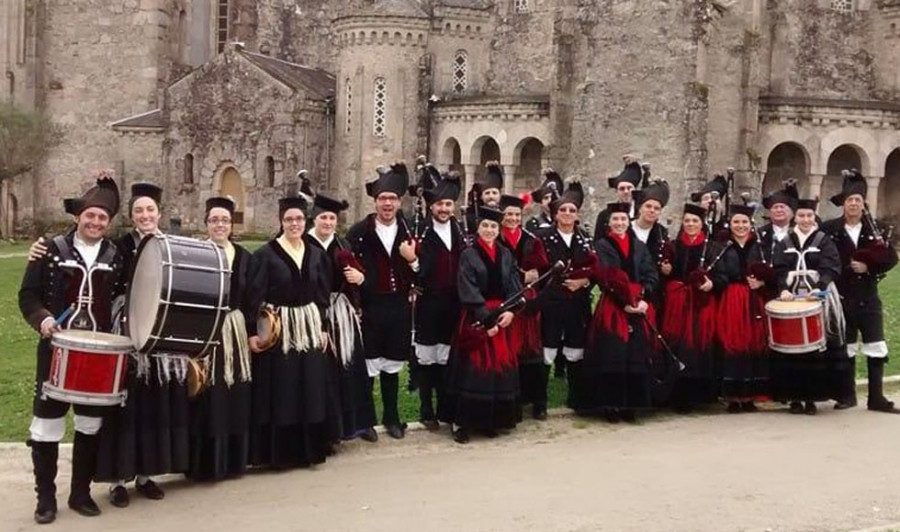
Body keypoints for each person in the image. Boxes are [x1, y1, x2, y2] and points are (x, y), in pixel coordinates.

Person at [19, 177, 125, 523]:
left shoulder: (116, 255)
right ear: (79, 216)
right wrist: (44, 319)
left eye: (102, 218)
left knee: (89, 424)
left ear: (108, 223)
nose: (95, 223)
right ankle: (46, 499)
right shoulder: (50, 249)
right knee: (47, 425)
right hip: (56, 350)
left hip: (97, 356)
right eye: (90, 216)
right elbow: (28, 296)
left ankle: (80, 492)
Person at [96, 182, 182, 507]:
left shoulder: (171, 245)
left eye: (150, 210)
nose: (145, 215)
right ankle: (118, 479)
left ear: (159, 213)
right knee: (125, 406)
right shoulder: (120, 246)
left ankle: (147, 474)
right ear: (132, 216)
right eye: (138, 211)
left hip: (159, 341)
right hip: (129, 337)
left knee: (154, 405)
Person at [245, 193, 336, 468]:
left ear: (305, 221)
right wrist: (253, 331)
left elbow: (322, 296)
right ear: (281, 222)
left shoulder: (317, 255)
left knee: (309, 386)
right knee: (282, 388)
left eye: (298, 219)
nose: (294, 224)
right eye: (288, 219)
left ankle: (309, 451)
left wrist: (323, 328)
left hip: (308, 327)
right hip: (279, 329)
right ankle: (280, 455)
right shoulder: (264, 255)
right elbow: (253, 296)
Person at [347, 163, 418, 439]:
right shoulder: (358, 233)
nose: (387, 203)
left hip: (399, 307)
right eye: (382, 199)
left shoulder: (410, 230)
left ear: (399, 201)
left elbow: (421, 273)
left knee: (391, 365)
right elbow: (346, 271)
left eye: (392, 199)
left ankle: (392, 417)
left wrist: (412, 260)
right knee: (368, 366)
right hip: (370, 308)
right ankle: (366, 421)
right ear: (375, 202)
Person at [821, 170, 900, 413]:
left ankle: (876, 398)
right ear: (843, 204)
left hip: (868, 296)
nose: (853, 204)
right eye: (849, 200)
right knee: (845, 347)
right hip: (842, 296)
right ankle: (847, 395)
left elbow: (891, 257)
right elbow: (824, 257)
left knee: (875, 345)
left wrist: (869, 266)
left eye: (857, 200)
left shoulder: (877, 228)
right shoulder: (830, 228)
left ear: (863, 203)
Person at [443, 205, 523, 443]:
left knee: (498, 373)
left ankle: (491, 420)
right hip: (477, 318)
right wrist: (486, 318)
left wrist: (511, 312)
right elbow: (467, 288)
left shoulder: (506, 254)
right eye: (485, 226)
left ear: (499, 230)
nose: (489, 230)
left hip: (502, 318)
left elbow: (514, 286)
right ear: (478, 229)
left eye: (493, 226)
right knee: (472, 372)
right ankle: (462, 423)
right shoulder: (468, 254)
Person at [186, 196, 253, 480]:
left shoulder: (244, 257)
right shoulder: (196, 253)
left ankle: (233, 462)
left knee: (232, 391)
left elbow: (252, 298)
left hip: (234, 331)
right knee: (206, 392)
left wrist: (250, 332)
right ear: (206, 224)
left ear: (232, 224)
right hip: (205, 331)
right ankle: (203, 464)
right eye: (214, 220)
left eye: (225, 220)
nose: (220, 225)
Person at [304, 190, 378, 443]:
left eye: (332, 219)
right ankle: (326, 429)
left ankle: (359, 423)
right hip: (312, 313)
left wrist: (360, 278)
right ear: (314, 219)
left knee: (350, 367)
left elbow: (359, 276)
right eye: (323, 218)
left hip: (341, 311)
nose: (327, 223)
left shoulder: (343, 245)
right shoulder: (304, 244)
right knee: (323, 372)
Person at [771, 197, 851, 415]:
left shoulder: (823, 240)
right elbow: (778, 268)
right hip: (791, 298)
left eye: (809, 216)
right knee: (792, 351)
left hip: (819, 298)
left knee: (816, 350)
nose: (805, 220)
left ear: (814, 217)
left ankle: (812, 399)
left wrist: (821, 286)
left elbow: (832, 266)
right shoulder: (785, 242)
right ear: (795, 217)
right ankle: (794, 398)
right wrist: (782, 289)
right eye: (801, 216)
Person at [580, 203, 659, 422]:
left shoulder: (639, 246)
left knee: (635, 355)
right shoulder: (602, 246)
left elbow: (650, 273)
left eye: (623, 220)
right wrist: (624, 301)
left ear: (629, 222)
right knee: (613, 354)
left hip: (638, 306)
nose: (620, 223)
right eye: (615, 220)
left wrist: (643, 296)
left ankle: (631, 406)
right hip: (614, 307)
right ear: (609, 223)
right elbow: (606, 275)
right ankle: (611, 406)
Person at [659, 204, 726, 412]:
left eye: (695, 221)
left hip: (702, 304)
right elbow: (663, 274)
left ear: (702, 224)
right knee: (677, 346)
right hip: (677, 305)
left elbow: (722, 277)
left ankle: (701, 395)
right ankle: (676, 395)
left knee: (700, 346)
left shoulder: (713, 248)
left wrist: (711, 284)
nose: (690, 224)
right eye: (687, 221)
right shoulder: (673, 245)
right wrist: (665, 271)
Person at [414, 172, 466, 430]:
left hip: (454, 302)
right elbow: (416, 270)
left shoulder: (460, 230)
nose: (444, 209)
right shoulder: (421, 231)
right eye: (439, 204)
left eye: (448, 204)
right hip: (429, 302)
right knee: (427, 356)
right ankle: (426, 408)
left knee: (447, 356)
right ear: (431, 206)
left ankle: (446, 405)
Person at [538, 181, 595, 409]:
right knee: (547, 349)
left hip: (578, 303)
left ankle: (576, 398)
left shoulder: (585, 239)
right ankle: (540, 401)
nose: (567, 214)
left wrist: (585, 281)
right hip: (552, 302)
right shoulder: (543, 238)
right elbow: (539, 269)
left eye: (572, 210)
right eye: (563, 210)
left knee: (576, 348)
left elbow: (595, 269)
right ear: (555, 214)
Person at [498, 194, 551, 419]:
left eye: (516, 215)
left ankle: (538, 401)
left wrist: (535, 276)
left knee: (532, 351)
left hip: (527, 302)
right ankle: (513, 400)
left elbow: (544, 270)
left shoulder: (532, 240)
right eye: (508, 214)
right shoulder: (495, 238)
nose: (512, 218)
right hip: (504, 301)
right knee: (510, 352)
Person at [716, 205, 771, 413]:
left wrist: (763, 282)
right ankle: (733, 396)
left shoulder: (761, 246)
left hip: (755, 298)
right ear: (730, 224)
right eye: (736, 222)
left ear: (751, 224)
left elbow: (770, 270)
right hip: (732, 297)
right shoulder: (722, 246)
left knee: (754, 342)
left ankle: (751, 396)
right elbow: (718, 272)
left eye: (744, 222)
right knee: (734, 342)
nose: (740, 226)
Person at [593, 154, 642, 241]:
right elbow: (598, 243)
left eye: (629, 188)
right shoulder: (605, 215)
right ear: (617, 191)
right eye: (622, 189)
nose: (626, 192)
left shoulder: (642, 213)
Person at [757, 179, 798, 264]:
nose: (779, 210)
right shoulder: (759, 235)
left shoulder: (798, 233)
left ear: (792, 212)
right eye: (775, 207)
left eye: (782, 207)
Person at [464, 161, 504, 235]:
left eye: (494, 193)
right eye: (487, 193)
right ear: (481, 196)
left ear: (500, 195)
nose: (491, 196)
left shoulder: (505, 215)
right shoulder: (472, 216)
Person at [525, 168, 562, 233]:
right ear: (541, 202)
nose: (550, 201)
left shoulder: (568, 223)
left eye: (554, 198)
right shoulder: (534, 224)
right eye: (546, 198)